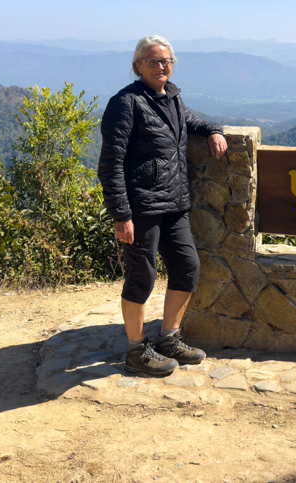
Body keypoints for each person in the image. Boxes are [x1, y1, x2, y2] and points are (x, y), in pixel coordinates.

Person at [97, 35, 227, 376]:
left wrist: (213, 130)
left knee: (187, 267)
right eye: (153, 61)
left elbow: (189, 122)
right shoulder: (125, 103)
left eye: (166, 60)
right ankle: (136, 351)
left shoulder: (172, 97)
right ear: (137, 65)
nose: (161, 66)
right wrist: (121, 215)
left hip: (174, 203)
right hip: (140, 208)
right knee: (142, 277)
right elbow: (110, 164)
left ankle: (168, 339)